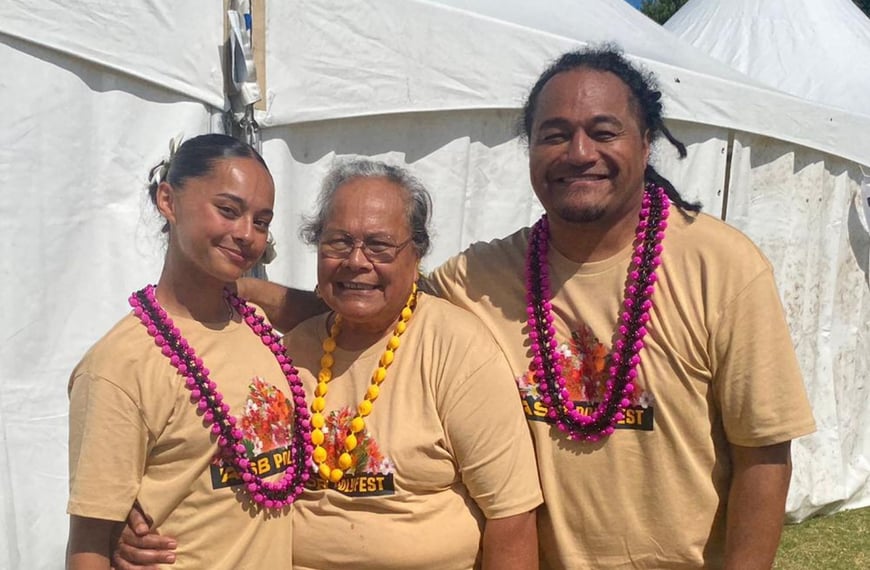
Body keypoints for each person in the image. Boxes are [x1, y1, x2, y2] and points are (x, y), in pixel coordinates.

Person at [119, 45, 817, 569]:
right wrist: (228, 288)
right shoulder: (485, 273)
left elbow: (764, 453)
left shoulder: (722, 267)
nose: (578, 152)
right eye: (553, 133)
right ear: (530, 149)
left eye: (604, 131)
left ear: (645, 141)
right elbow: (369, 302)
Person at [114, 159, 543, 569]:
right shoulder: (289, 350)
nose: (356, 261)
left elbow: (513, 516)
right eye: (338, 242)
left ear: (417, 254)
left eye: (379, 245)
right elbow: (210, 449)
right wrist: (140, 516)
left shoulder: (457, 350)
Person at [67, 134, 311, 569]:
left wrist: (248, 288)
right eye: (228, 210)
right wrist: (115, 538)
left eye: (262, 221)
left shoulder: (258, 326)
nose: (246, 235)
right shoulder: (119, 366)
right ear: (168, 200)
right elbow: (88, 542)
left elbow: (350, 307)